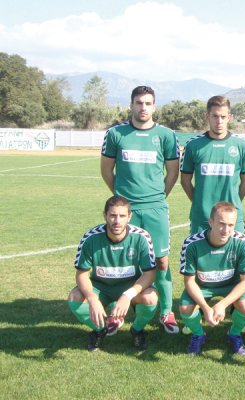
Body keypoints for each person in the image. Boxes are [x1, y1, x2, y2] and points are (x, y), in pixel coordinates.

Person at [100, 85, 180, 334]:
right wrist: (122, 200)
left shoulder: (166, 135)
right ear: (131, 105)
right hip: (126, 210)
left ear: (154, 106)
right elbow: (106, 170)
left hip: (155, 209)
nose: (143, 107)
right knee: (125, 259)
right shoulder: (116, 134)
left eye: (147, 103)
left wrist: (158, 197)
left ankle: (166, 312)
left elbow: (173, 173)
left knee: (161, 261)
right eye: (138, 103)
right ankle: (119, 310)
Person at [67, 195, 158, 351]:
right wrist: (92, 298)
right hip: (101, 288)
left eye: (122, 216)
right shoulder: (90, 237)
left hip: (130, 287)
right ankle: (99, 330)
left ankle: (137, 330)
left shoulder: (141, 237)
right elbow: (81, 274)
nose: (117, 221)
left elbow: (149, 274)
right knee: (74, 297)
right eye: (113, 215)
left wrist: (127, 295)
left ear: (129, 217)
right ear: (105, 216)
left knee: (150, 297)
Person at [178, 202, 245, 355]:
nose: (226, 230)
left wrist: (222, 304)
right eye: (221, 224)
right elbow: (189, 281)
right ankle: (199, 334)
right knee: (185, 308)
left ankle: (234, 334)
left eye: (231, 225)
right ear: (211, 222)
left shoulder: (243, 242)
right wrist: (205, 308)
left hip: (231, 285)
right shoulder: (191, 243)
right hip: (202, 287)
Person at [180, 95, 245, 234]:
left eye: (223, 117)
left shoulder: (241, 145)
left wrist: (234, 201)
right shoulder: (193, 145)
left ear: (229, 117)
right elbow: (185, 181)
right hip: (202, 218)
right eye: (215, 116)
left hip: (233, 218)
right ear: (207, 116)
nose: (219, 121)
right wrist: (199, 202)